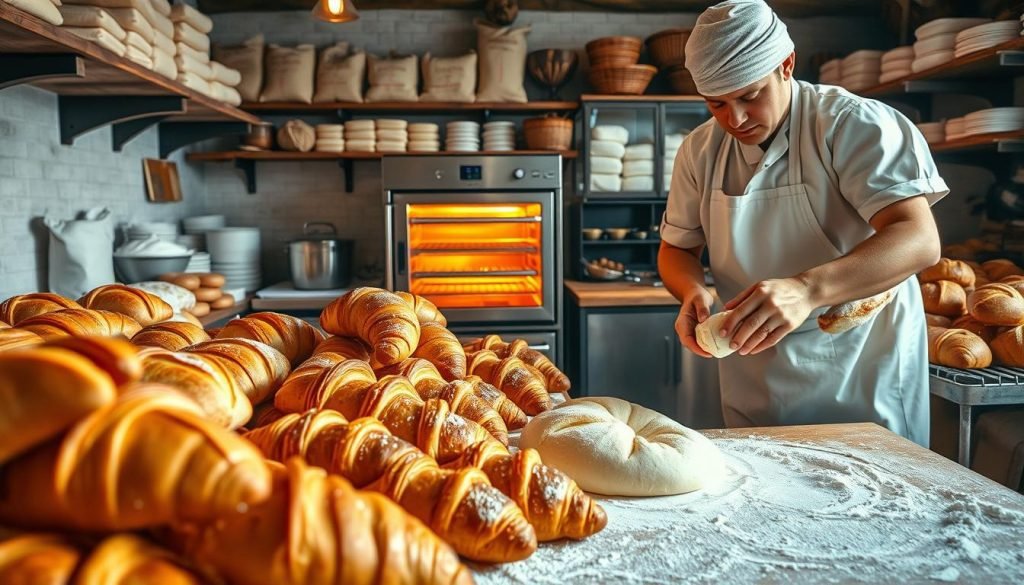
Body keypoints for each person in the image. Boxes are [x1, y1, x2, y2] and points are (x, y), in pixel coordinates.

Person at [658, 0, 947, 446]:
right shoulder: (700, 150)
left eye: (750, 96)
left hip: (859, 370)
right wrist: (691, 290)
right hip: (754, 371)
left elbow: (918, 238)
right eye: (717, 103)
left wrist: (806, 289)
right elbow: (677, 249)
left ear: (786, 65)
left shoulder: (850, 125)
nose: (734, 119)